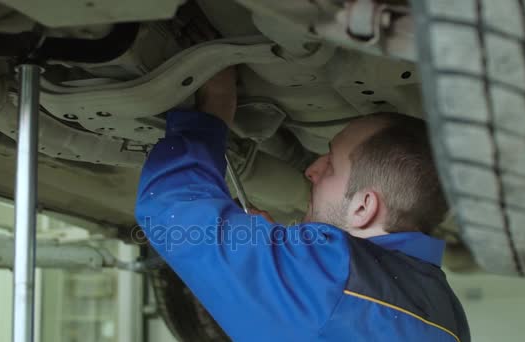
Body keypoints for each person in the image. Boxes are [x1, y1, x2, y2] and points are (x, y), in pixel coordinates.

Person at [135, 67, 470, 341]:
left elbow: (171, 208)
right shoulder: (446, 315)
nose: (312, 170)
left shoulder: (330, 275)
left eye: (332, 164)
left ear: (364, 207)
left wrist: (214, 110)